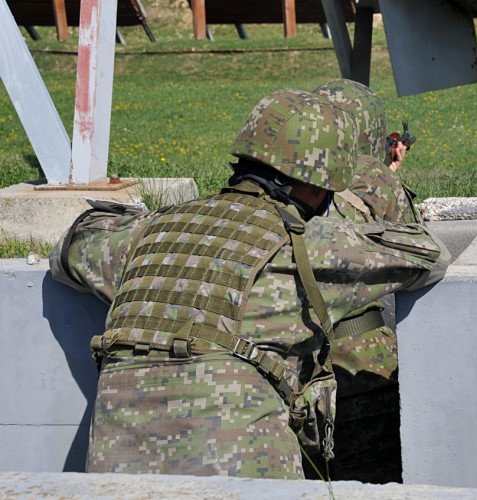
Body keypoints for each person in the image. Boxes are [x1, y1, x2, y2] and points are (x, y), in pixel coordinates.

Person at [49, 89, 450, 479]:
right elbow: (428, 255)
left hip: (115, 478)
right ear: (314, 187)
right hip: (244, 474)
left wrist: (160, 221)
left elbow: (69, 248)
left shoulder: (148, 234)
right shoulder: (313, 245)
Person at [309, 79, 421, 483]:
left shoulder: (283, 171)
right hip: (354, 371)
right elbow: (416, 256)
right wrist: (389, 178)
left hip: (287, 364)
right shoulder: (373, 176)